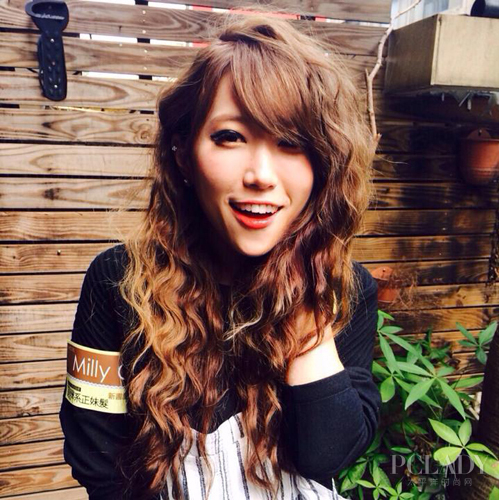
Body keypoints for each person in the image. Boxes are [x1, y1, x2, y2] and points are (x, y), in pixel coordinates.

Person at [59, 10, 381, 500]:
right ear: (184, 154)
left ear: (322, 164)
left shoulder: (344, 288)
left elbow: (328, 455)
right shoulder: (118, 280)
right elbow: (96, 460)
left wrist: (307, 304)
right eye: (230, 137)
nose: (261, 175)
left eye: (291, 143)